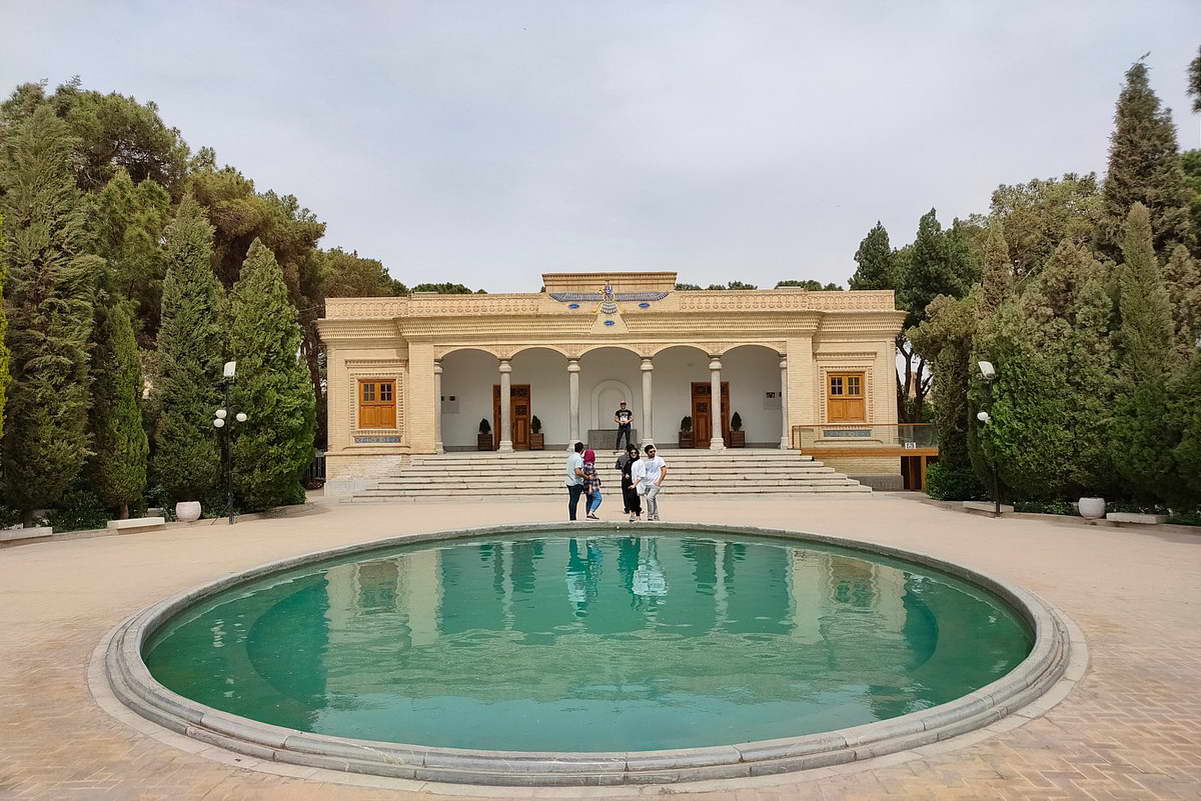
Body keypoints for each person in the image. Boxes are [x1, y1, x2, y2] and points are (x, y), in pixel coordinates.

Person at [631, 444, 668, 521]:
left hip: (655, 484)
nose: (653, 453)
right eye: (651, 452)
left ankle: (650, 516)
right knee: (652, 500)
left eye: (654, 451)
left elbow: (664, 470)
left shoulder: (659, 459)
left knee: (649, 498)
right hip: (647, 484)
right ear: (647, 453)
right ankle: (656, 516)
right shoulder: (645, 462)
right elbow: (642, 473)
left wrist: (659, 481)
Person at [618, 444, 642, 521]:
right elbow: (625, 470)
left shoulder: (640, 462)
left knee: (635, 498)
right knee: (630, 497)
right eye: (632, 453)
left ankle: (637, 514)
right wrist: (626, 475)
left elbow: (642, 474)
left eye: (635, 453)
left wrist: (635, 484)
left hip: (636, 483)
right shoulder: (628, 462)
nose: (633, 454)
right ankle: (633, 512)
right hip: (628, 482)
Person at [564, 441, 586, 520]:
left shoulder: (570, 457)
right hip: (575, 482)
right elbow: (578, 471)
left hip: (569, 481)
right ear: (582, 449)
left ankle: (572, 517)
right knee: (574, 501)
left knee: (571, 500)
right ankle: (573, 518)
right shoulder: (578, 458)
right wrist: (586, 476)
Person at [582, 448, 603, 519]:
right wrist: (590, 488)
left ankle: (588, 514)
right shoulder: (589, 465)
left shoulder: (585, 464)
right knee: (598, 498)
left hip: (586, 485)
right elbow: (590, 477)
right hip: (592, 486)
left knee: (589, 500)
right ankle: (590, 513)